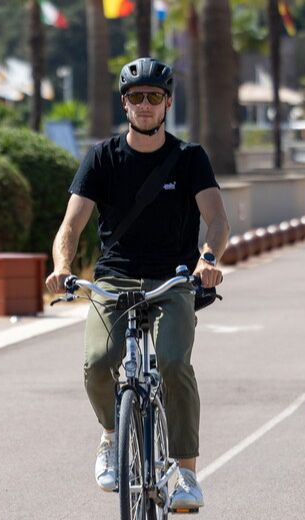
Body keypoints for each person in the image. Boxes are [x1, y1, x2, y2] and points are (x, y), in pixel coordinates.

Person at [45, 57, 229, 511]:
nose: (145, 104)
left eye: (154, 96)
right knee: (97, 362)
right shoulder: (102, 158)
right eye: (136, 97)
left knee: (173, 363)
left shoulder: (189, 159)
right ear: (124, 104)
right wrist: (62, 266)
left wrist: (208, 259)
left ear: (168, 103)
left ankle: (185, 473)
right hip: (114, 278)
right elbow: (71, 226)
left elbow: (217, 219)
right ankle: (111, 436)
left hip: (174, 279)